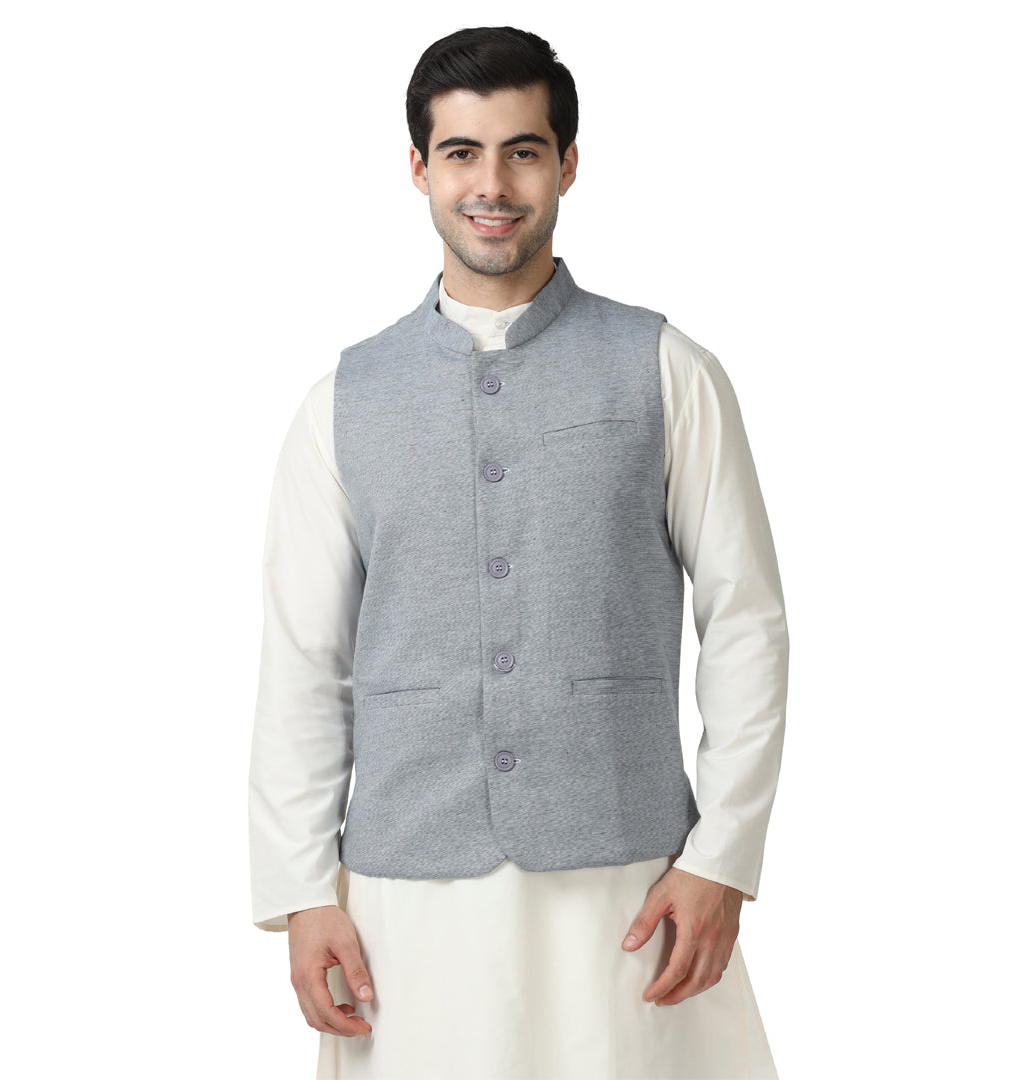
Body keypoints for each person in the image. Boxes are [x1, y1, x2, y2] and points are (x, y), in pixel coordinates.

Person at [248, 25, 789, 1080]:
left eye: (523, 151)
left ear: (567, 164)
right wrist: (304, 892)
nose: (491, 184)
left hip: (628, 882)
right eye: (462, 153)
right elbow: (303, 660)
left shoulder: (667, 369)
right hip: (408, 896)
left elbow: (747, 621)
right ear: (419, 168)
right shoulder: (341, 402)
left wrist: (722, 858)